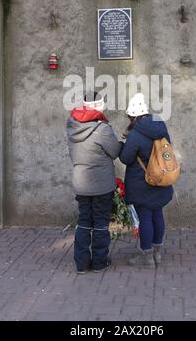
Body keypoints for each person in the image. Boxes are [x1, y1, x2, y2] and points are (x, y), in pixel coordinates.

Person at [67, 91, 121, 274]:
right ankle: (99, 262)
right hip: (101, 184)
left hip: (81, 183)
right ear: (99, 106)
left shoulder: (72, 126)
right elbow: (114, 152)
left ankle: (81, 264)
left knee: (83, 222)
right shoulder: (102, 129)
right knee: (100, 223)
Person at [119, 93, 173, 267]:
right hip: (161, 178)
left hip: (142, 182)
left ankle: (147, 257)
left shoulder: (135, 134)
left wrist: (122, 146)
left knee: (145, 217)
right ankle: (158, 253)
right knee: (157, 214)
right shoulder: (160, 125)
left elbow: (126, 158)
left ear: (132, 115)